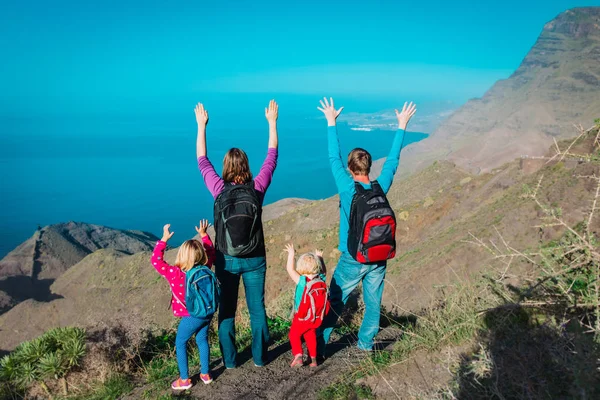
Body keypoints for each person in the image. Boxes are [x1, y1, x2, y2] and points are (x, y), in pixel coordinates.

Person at [317, 97, 417, 354]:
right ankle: (365, 345)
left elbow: (332, 157)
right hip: (378, 253)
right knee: (373, 303)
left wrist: (331, 122)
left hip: (353, 256)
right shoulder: (379, 187)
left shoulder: (348, 187)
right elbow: (393, 163)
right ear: (369, 167)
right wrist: (402, 125)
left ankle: (319, 344)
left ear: (351, 168)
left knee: (336, 301)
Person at [195, 100, 279, 368]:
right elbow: (272, 157)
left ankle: (230, 362)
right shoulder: (257, 188)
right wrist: (272, 122)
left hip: (226, 259)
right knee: (257, 310)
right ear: (246, 166)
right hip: (255, 257)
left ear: (227, 169)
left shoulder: (219, 188)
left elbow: (202, 161)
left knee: (227, 311)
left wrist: (201, 125)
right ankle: (260, 357)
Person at [150, 220, 216, 390]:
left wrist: (163, 240)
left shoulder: (175, 273)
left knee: (180, 343)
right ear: (200, 255)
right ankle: (205, 374)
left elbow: (156, 261)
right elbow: (211, 252)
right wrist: (204, 235)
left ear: (181, 255)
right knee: (202, 339)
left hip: (191, 316)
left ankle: (185, 380)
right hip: (207, 311)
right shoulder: (205, 267)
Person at [283, 244, 330, 368]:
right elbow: (324, 271)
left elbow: (290, 269)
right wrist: (320, 258)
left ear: (301, 267)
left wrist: (291, 254)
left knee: (294, 334)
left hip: (302, 315)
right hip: (315, 316)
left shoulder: (302, 280)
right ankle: (313, 359)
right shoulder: (321, 279)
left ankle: (298, 356)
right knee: (310, 335)